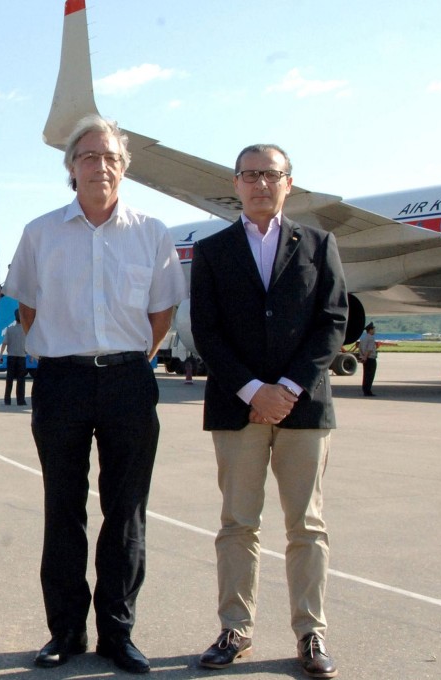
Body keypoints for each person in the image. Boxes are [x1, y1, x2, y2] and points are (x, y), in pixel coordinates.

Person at [3, 115, 186, 674]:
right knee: (63, 509)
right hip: (62, 381)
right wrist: (67, 352)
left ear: (123, 167)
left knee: (126, 512)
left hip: (129, 380)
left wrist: (129, 358)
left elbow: (161, 312)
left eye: (110, 157)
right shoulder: (40, 233)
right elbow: (27, 308)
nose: (100, 165)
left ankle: (118, 632)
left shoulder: (151, 232)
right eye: (88, 156)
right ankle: (65, 632)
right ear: (71, 168)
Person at [190, 144, 346, 679]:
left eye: (271, 174)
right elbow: (207, 330)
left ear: (288, 183)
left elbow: (332, 321)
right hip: (238, 408)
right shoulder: (212, 251)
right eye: (250, 174)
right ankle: (235, 628)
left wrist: (288, 388)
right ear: (235, 183)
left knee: (307, 525)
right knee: (238, 523)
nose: (260, 183)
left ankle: (310, 632)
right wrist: (254, 390)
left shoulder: (319, 244)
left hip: (304, 407)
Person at [0, 308, 29, 405]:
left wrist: (0, 355)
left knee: (9, 379)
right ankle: (21, 400)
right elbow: (29, 344)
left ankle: (7, 399)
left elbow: (4, 343)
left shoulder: (10, 330)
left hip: (11, 357)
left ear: (15, 318)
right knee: (21, 380)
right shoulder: (25, 330)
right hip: (22, 357)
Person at [360, 322, 377, 396]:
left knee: (365, 375)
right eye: (373, 329)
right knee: (370, 376)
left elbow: (360, 348)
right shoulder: (371, 338)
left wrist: (363, 357)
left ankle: (365, 390)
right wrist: (366, 357)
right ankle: (368, 391)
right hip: (370, 358)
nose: (374, 331)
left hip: (365, 358)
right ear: (370, 330)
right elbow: (369, 349)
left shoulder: (363, 338)